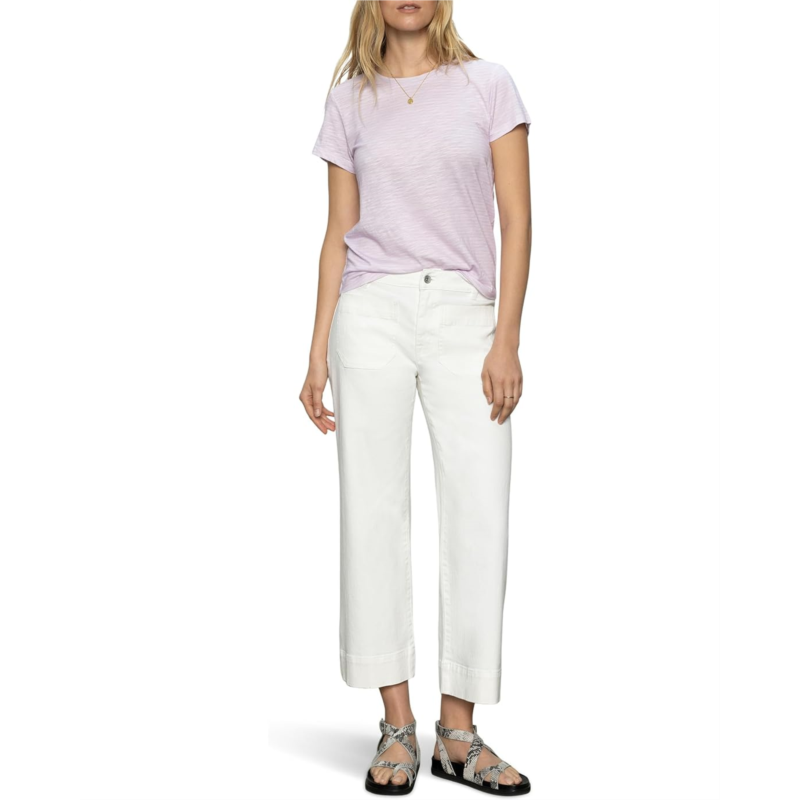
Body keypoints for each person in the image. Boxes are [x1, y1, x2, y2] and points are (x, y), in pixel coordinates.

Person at [300, 0, 532, 794]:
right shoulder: (348, 101)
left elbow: (517, 218)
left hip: (467, 315)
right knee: (371, 510)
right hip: (370, 315)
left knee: (479, 507)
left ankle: (457, 733)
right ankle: (397, 726)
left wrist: (507, 338)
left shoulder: (488, 86)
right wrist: (315, 350)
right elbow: (338, 231)